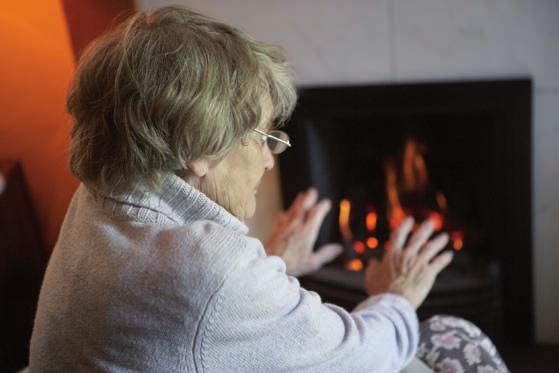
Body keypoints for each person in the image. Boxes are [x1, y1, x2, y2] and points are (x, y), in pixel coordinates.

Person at [29, 6, 507, 373]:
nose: (271, 154)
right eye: (262, 135)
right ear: (199, 148)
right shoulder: (208, 268)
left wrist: (271, 266)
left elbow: (189, 317)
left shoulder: (101, 194)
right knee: (454, 334)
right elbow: (359, 359)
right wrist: (396, 294)